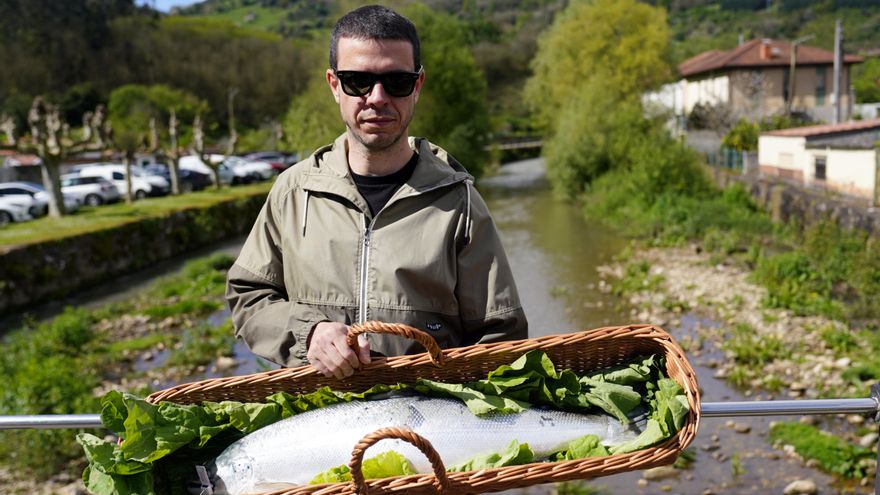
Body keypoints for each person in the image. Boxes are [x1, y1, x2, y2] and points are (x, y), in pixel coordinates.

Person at [226, 4, 527, 379]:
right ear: (334, 85)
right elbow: (248, 296)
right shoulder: (293, 192)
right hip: (321, 419)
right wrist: (310, 333)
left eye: (397, 82)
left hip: (427, 423)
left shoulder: (460, 201)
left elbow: (501, 336)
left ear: (417, 86)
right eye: (358, 81)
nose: (378, 97)